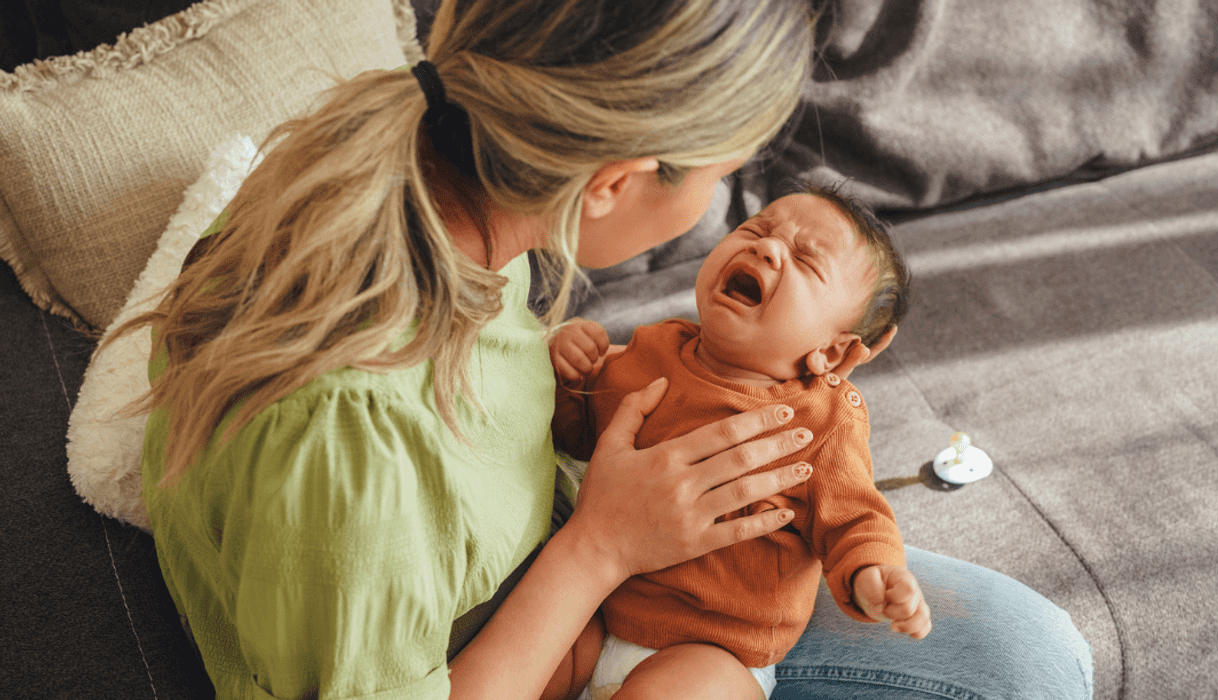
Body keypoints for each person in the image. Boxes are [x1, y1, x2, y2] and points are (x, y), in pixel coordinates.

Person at [101, 1, 1093, 699]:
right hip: (509, 632)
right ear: (615, 182)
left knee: (1033, 654)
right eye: (728, 186)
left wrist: (561, 376)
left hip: (601, 564)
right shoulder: (349, 446)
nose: (735, 226)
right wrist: (603, 546)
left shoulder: (436, 165)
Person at [548, 185, 927, 699]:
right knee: (531, 661)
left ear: (833, 354)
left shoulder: (821, 421)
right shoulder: (652, 348)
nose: (766, 248)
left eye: (805, 260)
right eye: (755, 228)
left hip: (712, 647)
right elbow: (578, 438)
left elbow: (855, 517)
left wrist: (874, 572)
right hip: (594, 610)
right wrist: (568, 374)